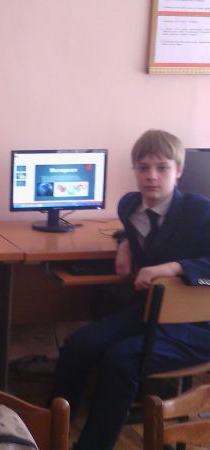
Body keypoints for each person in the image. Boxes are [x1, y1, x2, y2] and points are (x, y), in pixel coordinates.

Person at [50, 129, 210, 450]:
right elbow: (133, 229)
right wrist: (124, 244)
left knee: (120, 360)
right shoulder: (129, 206)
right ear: (135, 170)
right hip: (150, 308)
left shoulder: (200, 210)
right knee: (79, 345)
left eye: (162, 168)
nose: (152, 176)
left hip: (197, 323)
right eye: (143, 167)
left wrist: (172, 268)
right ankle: (49, 432)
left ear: (179, 170)